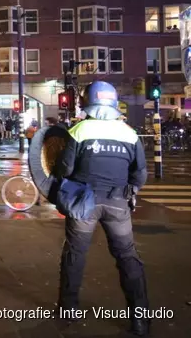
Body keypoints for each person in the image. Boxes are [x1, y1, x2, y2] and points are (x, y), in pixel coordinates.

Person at [56, 81, 149, 336]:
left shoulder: (79, 130)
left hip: (84, 203)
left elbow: (65, 169)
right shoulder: (130, 134)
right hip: (117, 203)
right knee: (128, 257)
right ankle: (140, 320)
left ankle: (69, 309)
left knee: (75, 254)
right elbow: (140, 175)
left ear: (88, 102)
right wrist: (129, 190)